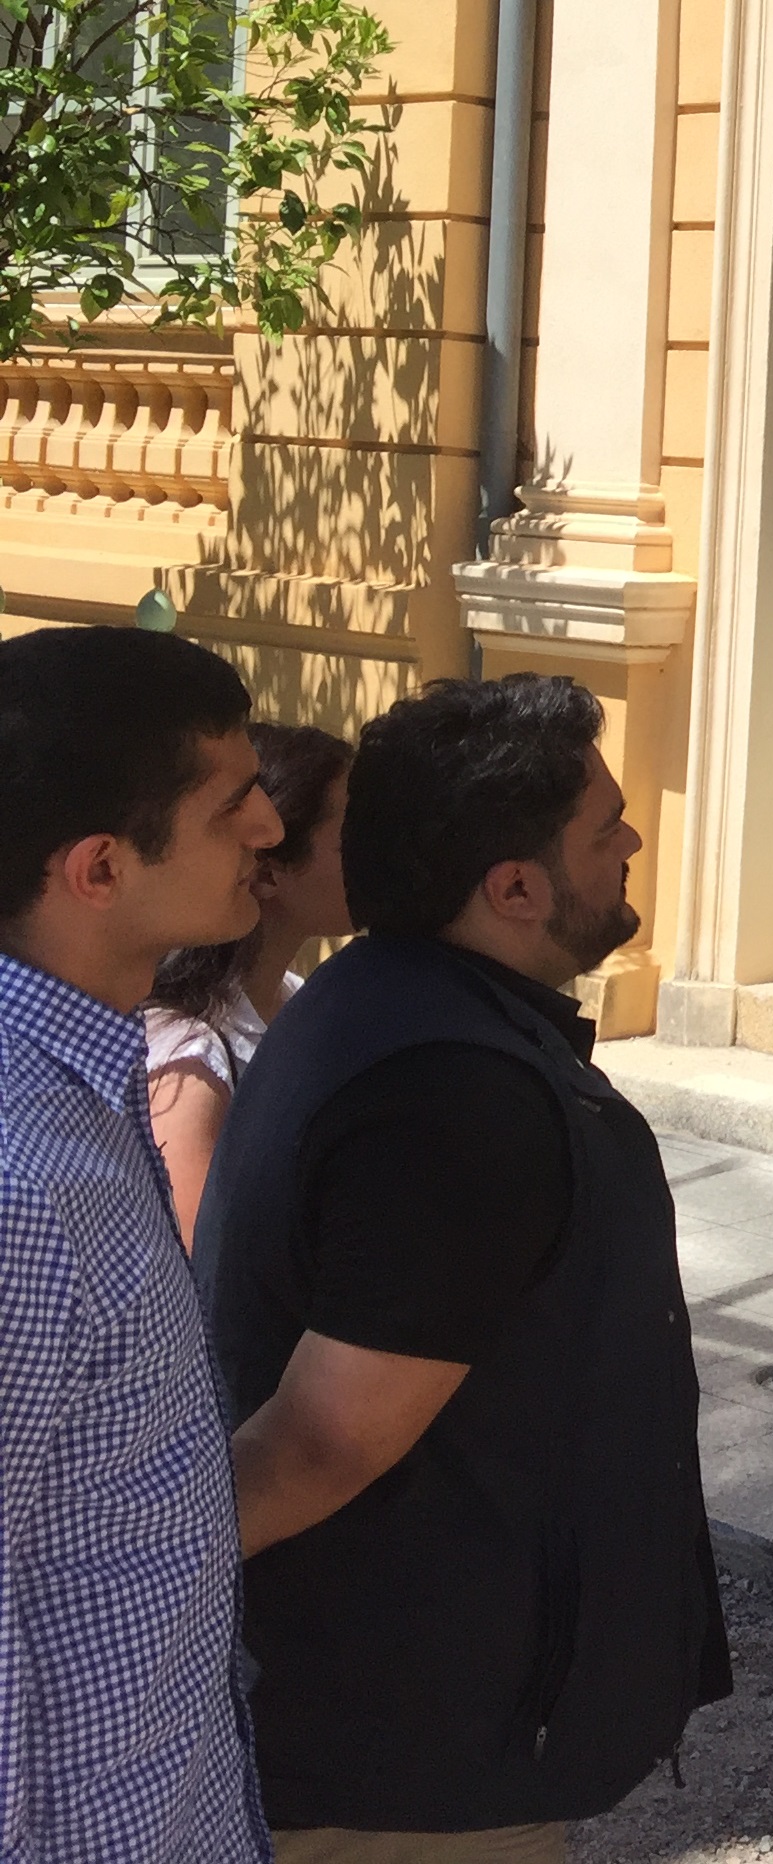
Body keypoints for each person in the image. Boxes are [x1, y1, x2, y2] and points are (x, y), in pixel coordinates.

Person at [197, 674, 727, 1859]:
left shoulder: (380, 1000)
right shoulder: (456, 1094)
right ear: (517, 887)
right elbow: (319, 1439)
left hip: (406, 1717)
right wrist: (135, 1590)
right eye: (605, 827)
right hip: (403, 1756)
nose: (634, 838)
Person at [0, 625, 282, 1861]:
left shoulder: (89, 1088)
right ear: (100, 869)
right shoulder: (24, 1179)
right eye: (233, 806)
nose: (270, 829)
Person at [143, 721, 353, 1245]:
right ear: (265, 872)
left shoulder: (296, 998)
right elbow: (203, 1279)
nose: (383, 856)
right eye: (353, 837)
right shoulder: (191, 1062)